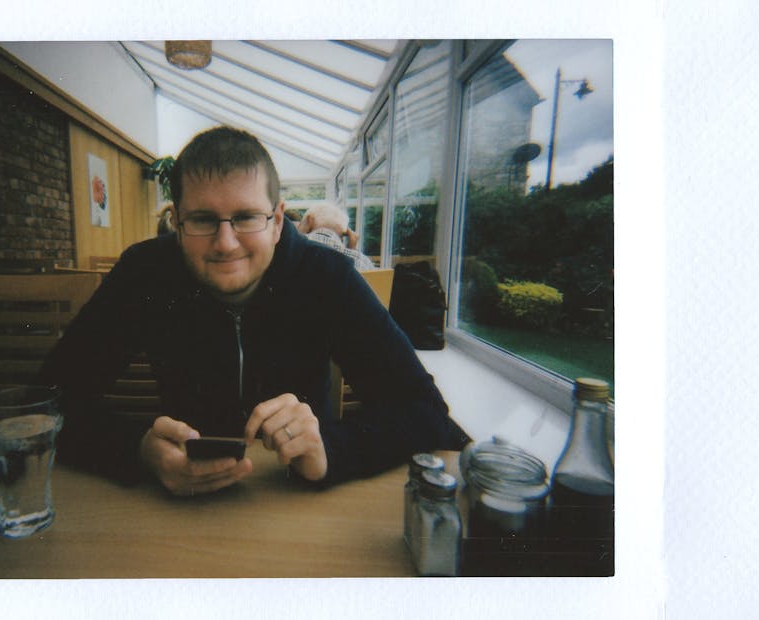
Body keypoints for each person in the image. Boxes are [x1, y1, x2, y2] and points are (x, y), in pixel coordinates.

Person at [38, 126, 468, 496]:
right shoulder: (143, 273)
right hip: (170, 517)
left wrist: (330, 451)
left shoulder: (327, 276)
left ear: (279, 221)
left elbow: (425, 413)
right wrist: (137, 449)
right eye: (203, 219)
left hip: (295, 507)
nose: (226, 242)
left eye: (247, 217)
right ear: (176, 221)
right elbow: (43, 404)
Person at [297, 202, 375, 271]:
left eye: (300, 224)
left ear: (309, 220)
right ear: (344, 232)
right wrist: (352, 250)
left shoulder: (292, 251)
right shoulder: (362, 261)